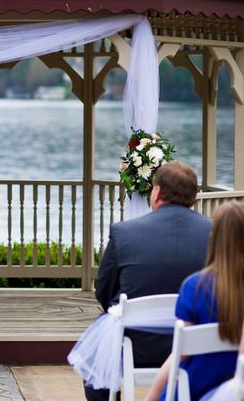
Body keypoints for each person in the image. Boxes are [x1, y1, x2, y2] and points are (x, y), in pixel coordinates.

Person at [83, 161, 211, 401]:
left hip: (138, 346)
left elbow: (104, 291)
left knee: (96, 351)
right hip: (198, 347)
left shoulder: (124, 232)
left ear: (157, 192)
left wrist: (127, 311)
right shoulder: (215, 232)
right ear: (193, 197)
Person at [145, 201, 244, 401]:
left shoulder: (194, 287)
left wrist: (151, 397)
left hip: (193, 392)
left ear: (214, 237)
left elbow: (180, 354)